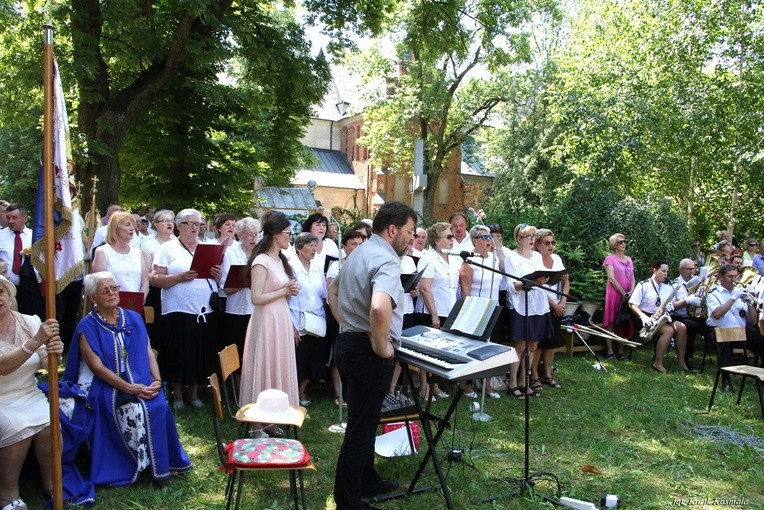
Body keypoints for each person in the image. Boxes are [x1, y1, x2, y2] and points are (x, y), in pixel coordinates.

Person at [64, 272, 192, 486]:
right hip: (102, 383)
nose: (112, 293)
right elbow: (97, 367)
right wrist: (128, 387)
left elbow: (148, 350)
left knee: (158, 406)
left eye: (115, 288)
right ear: (93, 297)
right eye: (105, 290)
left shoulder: (132, 317)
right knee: (134, 409)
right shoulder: (87, 326)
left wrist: (157, 380)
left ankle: (159, 463)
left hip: (138, 377)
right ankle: (134, 464)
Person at [328, 201, 415, 510]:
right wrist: (382, 346)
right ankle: (348, 502)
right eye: (410, 231)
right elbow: (380, 307)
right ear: (392, 230)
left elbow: (333, 292)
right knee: (361, 430)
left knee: (364, 420)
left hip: (350, 346)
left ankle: (367, 479)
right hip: (367, 353)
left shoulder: (360, 252)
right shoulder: (387, 260)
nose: (413, 238)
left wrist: (348, 324)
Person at [0, 276, 62, 510]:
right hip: (2, 399)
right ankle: (7, 494)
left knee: (50, 423)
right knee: (18, 425)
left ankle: (52, 483)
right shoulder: (36, 332)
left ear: (8, 296)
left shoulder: (29, 321)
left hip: (28, 392)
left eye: (0, 292)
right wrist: (37, 342)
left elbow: (47, 363)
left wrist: (54, 352)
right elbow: (3, 367)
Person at [150, 208, 219, 410]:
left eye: (198, 224)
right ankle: (178, 394)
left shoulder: (207, 247)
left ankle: (195, 393)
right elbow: (155, 279)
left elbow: (218, 278)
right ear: (179, 226)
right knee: (178, 351)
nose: (194, 228)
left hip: (204, 310)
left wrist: (217, 273)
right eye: (190, 224)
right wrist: (178, 278)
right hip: (178, 310)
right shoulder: (168, 248)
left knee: (200, 351)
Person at [239, 211, 300, 434]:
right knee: (263, 366)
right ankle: (256, 425)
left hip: (281, 318)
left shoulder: (280, 259)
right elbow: (256, 298)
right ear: (275, 235)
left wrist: (289, 291)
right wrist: (283, 290)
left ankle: (270, 420)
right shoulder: (261, 261)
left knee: (276, 365)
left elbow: (279, 290)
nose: (289, 237)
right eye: (287, 233)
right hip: (266, 320)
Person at [505, 224, 552, 398]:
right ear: (518, 239)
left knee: (533, 344)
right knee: (520, 345)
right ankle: (513, 383)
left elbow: (543, 278)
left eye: (533, 236)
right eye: (528, 236)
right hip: (521, 305)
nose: (532, 239)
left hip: (538, 304)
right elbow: (511, 285)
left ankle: (525, 381)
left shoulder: (538, 256)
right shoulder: (512, 257)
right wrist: (530, 283)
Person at [459, 224, 503, 398]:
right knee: (472, 347)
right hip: (476, 309)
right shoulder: (468, 260)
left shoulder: (493, 258)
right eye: (485, 238)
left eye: (490, 237)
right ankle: (466, 384)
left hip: (493, 308)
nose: (489, 241)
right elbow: (465, 289)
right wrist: (469, 311)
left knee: (489, 347)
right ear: (474, 240)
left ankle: (487, 383)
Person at [705, 263, 764, 392]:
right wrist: (733, 298)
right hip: (719, 330)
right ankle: (725, 380)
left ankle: (761, 377)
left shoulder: (739, 292)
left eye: (735, 277)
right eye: (730, 276)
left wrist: (750, 304)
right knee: (725, 342)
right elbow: (717, 314)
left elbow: (752, 320)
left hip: (740, 330)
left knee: (762, 341)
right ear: (720, 277)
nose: (734, 280)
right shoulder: (713, 293)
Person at [326, 230, 365, 405]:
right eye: (353, 244)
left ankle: (355, 391)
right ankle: (338, 393)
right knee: (339, 354)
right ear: (344, 246)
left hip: (359, 315)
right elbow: (330, 293)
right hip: (340, 314)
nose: (357, 247)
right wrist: (339, 319)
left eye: (360, 244)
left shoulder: (366, 264)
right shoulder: (336, 266)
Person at [288, 233, 327, 407]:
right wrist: (291, 326)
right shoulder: (290, 267)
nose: (314, 249)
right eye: (310, 245)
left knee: (313, 358)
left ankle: (302, 391)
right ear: (299, 248)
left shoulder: (318, 266)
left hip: (316, 319)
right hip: (297, 318)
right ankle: (292, 393)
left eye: (315, 245)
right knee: (299, 359)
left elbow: (323, 293)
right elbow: (285, 299)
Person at [628, 260, 689, 373]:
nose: (666, 274)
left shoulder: (667, 287)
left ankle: (681, 361)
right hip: (646, 318)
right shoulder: (643, 285)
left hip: (661, 317)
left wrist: (666, 309)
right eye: (663, 271)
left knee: (682, 327)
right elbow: (632, 303)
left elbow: (670, 305)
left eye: (667, 272)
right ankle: (658, 362)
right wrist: (643, 317)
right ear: (655, 270)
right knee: (669, 331)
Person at [219, 217, 260, 374]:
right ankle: (238, 392)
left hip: (255, 309)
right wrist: (245, 280)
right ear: (240, 235)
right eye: (249, 234)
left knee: (254, 353)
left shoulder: (260, 255)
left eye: (256, 234)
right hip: (235, 310)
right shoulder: (229, 254)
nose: (253, 238)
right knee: (237, 352)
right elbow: (225, 288)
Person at [534, 229, 568, 388]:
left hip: (558, 305)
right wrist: (554, 305)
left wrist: (562, 302)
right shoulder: (534, 260)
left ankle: (548, 373)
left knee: (552, 344)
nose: (551, 246)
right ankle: (534, 376)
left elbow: (566, 281)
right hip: (542, 305)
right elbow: (538, 287)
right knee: (538, 345)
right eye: (547, 243)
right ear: (538, 244)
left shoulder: (557, 259)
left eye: (553, 242)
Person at [91, 211, 150, 302]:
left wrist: (140, 298)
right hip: (110, 306)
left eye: (132, 225)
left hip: (134, 306)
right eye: (127, 225)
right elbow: (100, 283)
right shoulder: (102, 251)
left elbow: (145, 283)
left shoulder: (137, 253)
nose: (132, 228)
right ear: (115, 228)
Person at [602, 233, 636, 359]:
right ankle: (610, 351)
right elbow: (611, 278)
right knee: (611, 320)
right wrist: (623, 292)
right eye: (620, 242)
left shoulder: (629, 260)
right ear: (614, 245)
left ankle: (621, 351)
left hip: (628, 294)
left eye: (624, 241)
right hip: (615, 294)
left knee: (624, 321)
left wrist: (631, 291)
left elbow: (632, 277)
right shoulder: (610, 259)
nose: (623, 244)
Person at [670, 259, 706, 370]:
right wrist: (687, 300)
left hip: (693, 315)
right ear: (681, 270)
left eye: (693, 268)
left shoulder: (698, 283)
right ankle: (685, 357)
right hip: (678, 316)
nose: (692, 271)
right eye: (688, 269)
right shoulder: (674, 284)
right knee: (692, 326)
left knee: (707, 324)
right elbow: (671, 306)